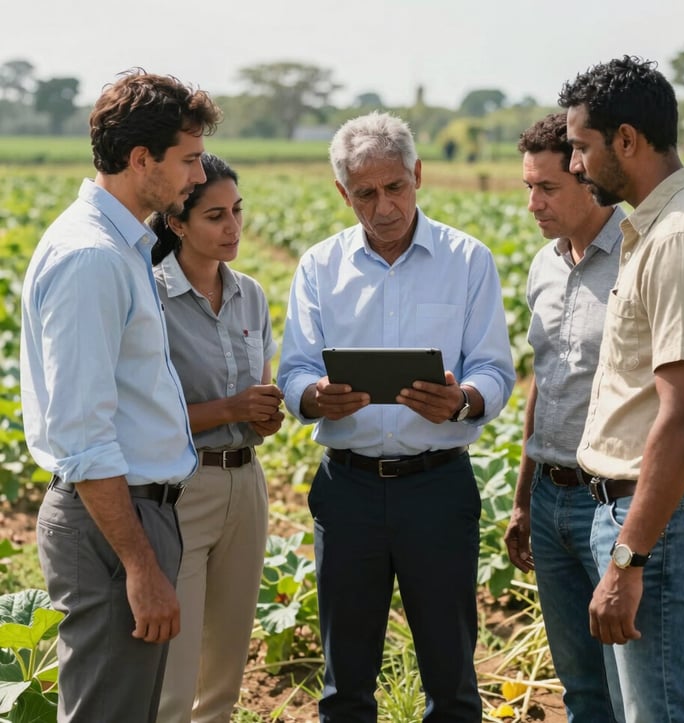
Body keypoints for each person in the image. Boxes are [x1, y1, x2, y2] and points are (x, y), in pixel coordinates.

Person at [277, 110, 516, 722]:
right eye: (365, 193)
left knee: (453, 678)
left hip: (438, 486)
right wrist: (314, 397)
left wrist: (462, 400)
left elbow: (493, 368)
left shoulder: (468, 260)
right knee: (345, 683)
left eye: (395, 188)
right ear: (342, 193)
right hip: (347, 488)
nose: (384, 206)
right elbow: (296, 369)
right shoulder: (319, 267)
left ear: (418, 174)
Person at [559, 55, 684, 722]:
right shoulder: (659, 228)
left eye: (582, 147)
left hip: (664, 525)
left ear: (626, 140)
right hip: (652, 520)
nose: (575, 165)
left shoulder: (681, 239)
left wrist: (627, 558)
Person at [19, 70, 221, 723]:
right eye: (188, 160)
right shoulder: (94, 257)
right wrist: (140, 563)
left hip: (129, 512)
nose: (198, 176)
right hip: (112, 520)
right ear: (141, 160)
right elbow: (83, 433)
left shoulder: (124, 243)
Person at [148, 153, 284, 722]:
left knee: (227, 669)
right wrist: (230, 407)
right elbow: (147, 415)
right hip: (182, 490)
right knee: (176, 679)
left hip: (246, 484)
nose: (232, 228)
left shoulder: (250, 294)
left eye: (237, 212)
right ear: (177, 223)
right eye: (214, 216)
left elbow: (262, 391)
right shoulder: (149, 297)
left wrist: (265, 416)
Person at [503, 112, 625, 722]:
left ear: (586, 175)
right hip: (551, 501)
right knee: (580, 689)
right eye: (528, 187)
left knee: (633, 691)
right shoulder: (543, 266)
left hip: (615, 502)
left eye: (546, 188)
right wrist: (524, 499)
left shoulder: (641, 256)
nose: (533, 203)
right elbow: (542, 382)